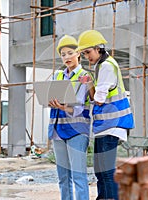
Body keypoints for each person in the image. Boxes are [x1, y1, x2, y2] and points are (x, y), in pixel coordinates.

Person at [76, 30, 135, 200]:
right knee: (100, 171)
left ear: (98, 48)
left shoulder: (107, 66)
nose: (87, 56)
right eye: (84, 53)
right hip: (105, 126)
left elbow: (98, 99)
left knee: (106, 172)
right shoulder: (101, 66)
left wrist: (88, 84)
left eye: (88, 52)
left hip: (113, 125)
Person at [48, 35, 91, 200]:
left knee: (79, 176)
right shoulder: (57, 75)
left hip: (77, 131)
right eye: (63, 54)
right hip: (58, 130)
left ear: (78, 53)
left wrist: (63, 106)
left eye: (70, 52)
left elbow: (79, 106)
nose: (66, 57)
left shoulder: (85, 76)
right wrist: (52, 102)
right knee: (63, 177)